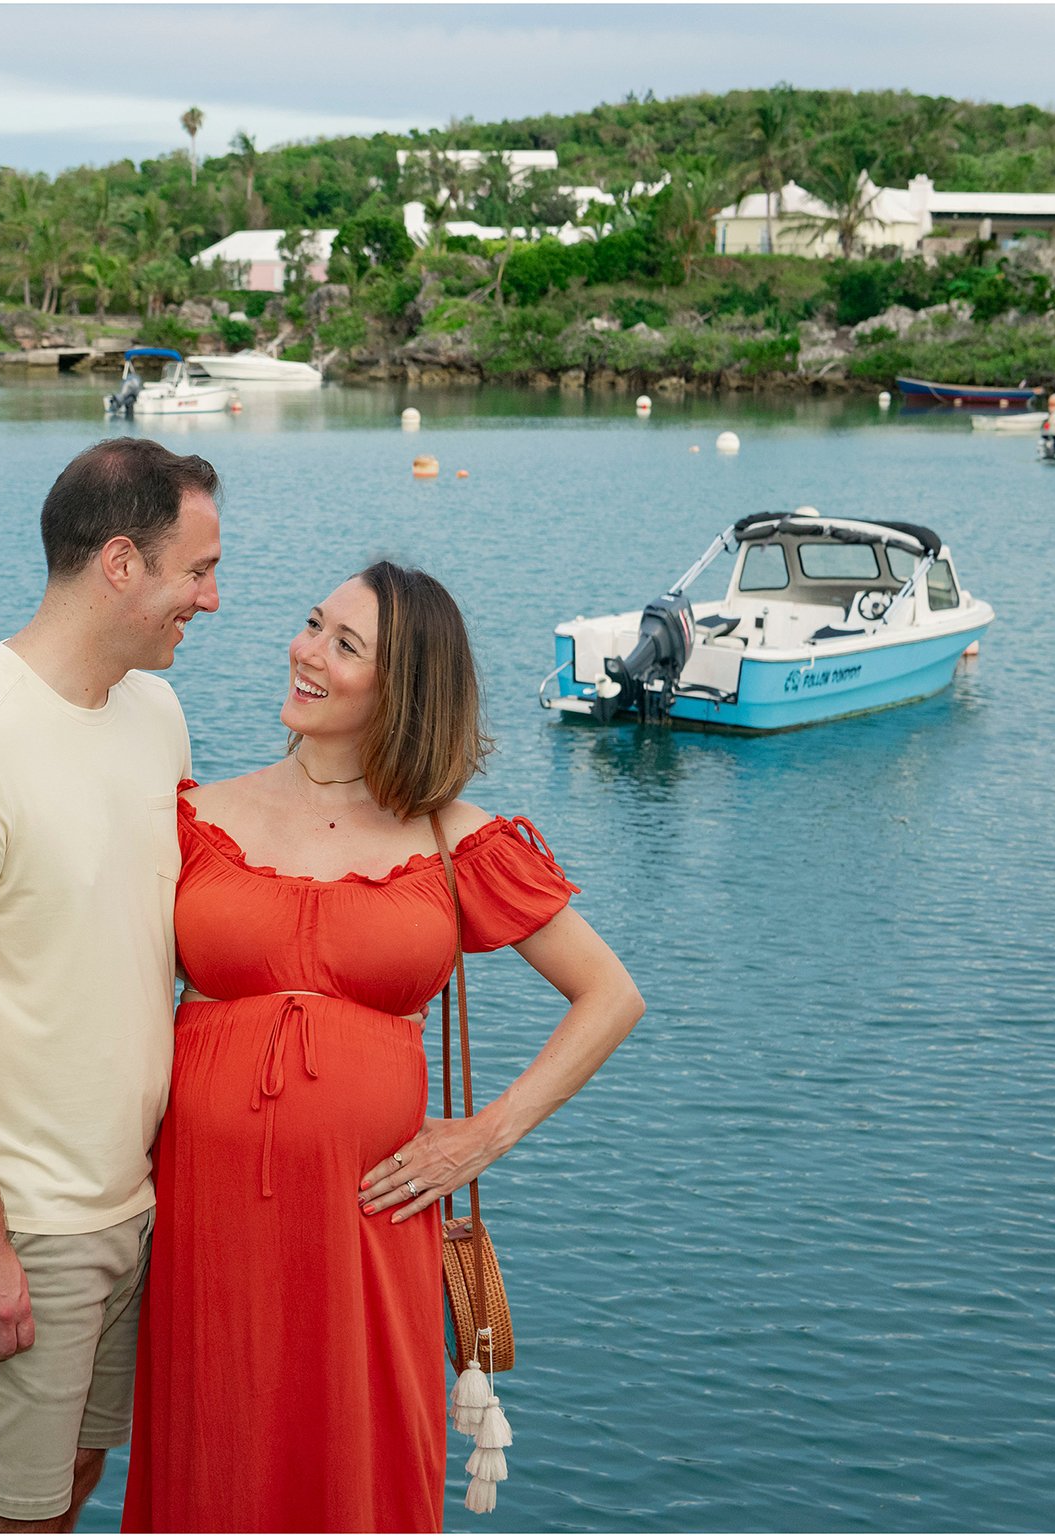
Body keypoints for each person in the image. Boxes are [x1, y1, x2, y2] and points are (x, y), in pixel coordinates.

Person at [122, 561, 644, 1532]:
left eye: (342, 643)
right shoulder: (194, 819)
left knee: (357, 1470)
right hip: (209, 1222)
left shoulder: (452, 840)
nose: (304, 651)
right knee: (214, 1462)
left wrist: (484, 1135)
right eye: (312, 625)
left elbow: (607, 995)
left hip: (367, 1226)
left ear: (400, 688)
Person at [0, 438, 223, 1532]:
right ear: (119, 564)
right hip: (16, 1217)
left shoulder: (152, 714)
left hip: (128, 1204)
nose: (210, 601)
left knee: (64, 1485)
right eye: (197, 570)